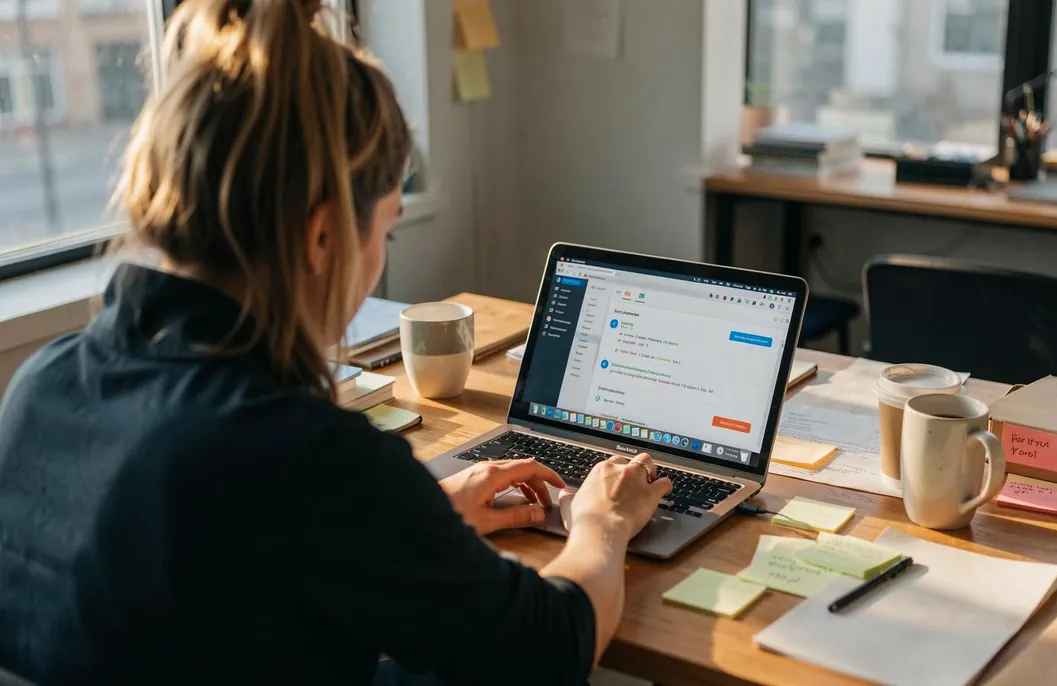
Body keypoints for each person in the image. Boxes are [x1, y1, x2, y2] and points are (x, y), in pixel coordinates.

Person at [0, 1, 672, 684]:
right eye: (385, 230)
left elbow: (218, 570)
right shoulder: (300, 452)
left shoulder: (39, 386)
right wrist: (603, 520)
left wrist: (413, 522)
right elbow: (550, 650)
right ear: (322, 237)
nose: (380, 253)